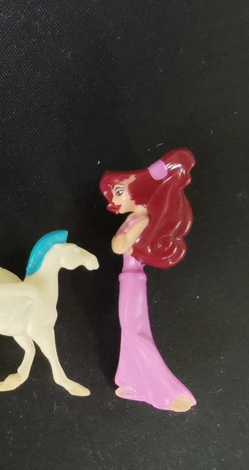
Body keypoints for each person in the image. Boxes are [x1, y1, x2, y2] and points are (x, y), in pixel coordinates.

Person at [99, 148, 197, 412]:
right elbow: (120, 244)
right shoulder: (135, 219)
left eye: (118, 191)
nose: (113, 200)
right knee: (129, 330)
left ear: (136, 189)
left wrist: (123, 237)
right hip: (129, 279)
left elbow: (119, 246)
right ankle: (130, 382)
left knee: (135, 331)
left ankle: (169, 392)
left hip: (132, 280)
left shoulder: (140, 219)